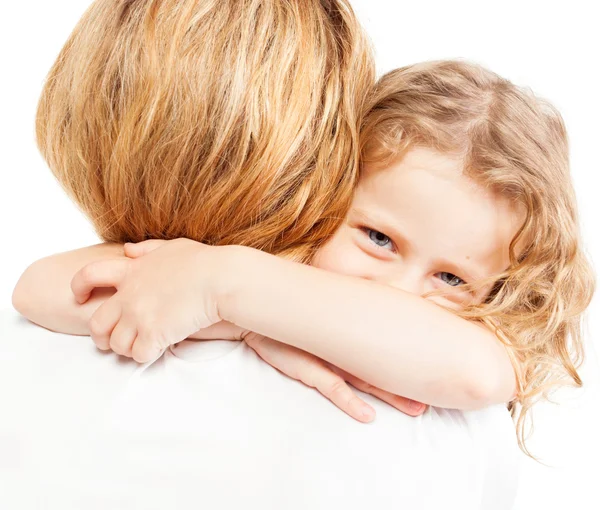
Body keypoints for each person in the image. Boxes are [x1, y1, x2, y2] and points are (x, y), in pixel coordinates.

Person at [13, 0, 593, 461]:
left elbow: (479, 374)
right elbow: (41, 287)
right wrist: (242, 318)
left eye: (451, 277)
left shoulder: (464, 351)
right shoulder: (277, 275)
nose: (399, 290)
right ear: (329, 197)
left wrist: (226, 290)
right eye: (379, 240)